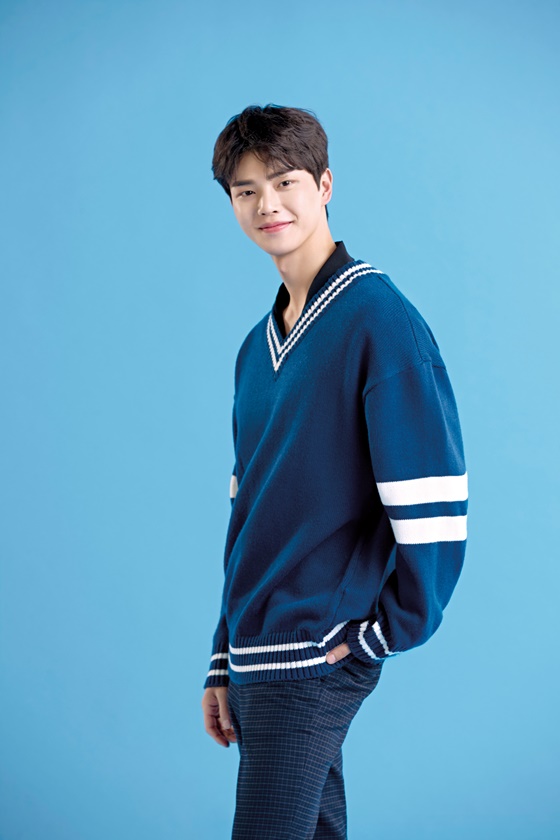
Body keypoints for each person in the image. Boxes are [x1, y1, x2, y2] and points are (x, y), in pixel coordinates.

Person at [201, 104, 468, 839]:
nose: (268, 204)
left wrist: (385, 633)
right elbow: (249, 512)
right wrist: (223, 654)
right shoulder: (255, 349)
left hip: (313, 654)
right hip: (257, 654)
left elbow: (433, 495)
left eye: (285, 181)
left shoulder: (379, 320)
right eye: (246, 190)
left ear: (324, 185)